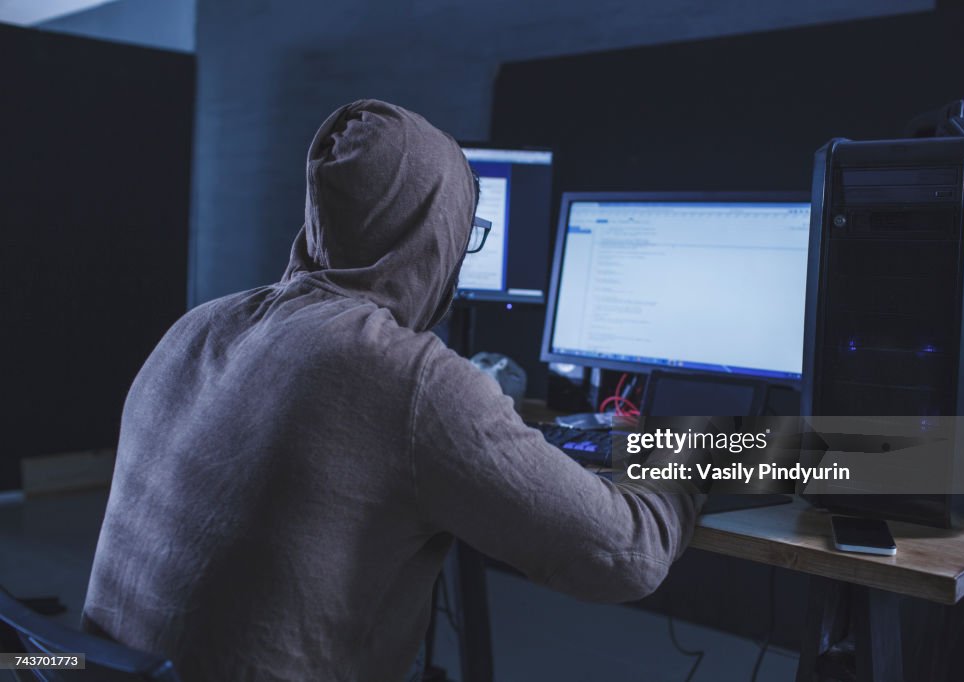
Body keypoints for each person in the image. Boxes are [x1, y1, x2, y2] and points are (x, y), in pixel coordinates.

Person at [83, 99, 703, 681]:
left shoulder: (201, 323)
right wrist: (687, 453)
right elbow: (626, 557)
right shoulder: (411, 380)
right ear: (435, 232)